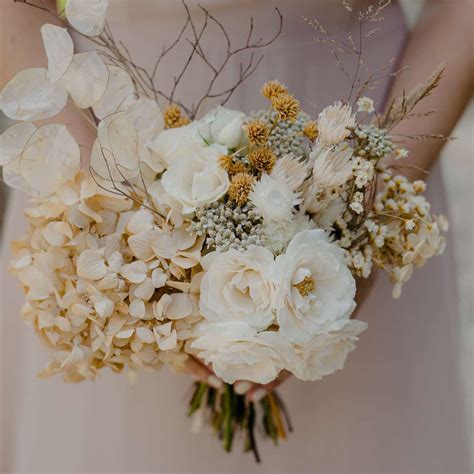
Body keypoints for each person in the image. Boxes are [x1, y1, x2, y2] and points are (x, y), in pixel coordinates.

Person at [1, 1, 471, 472]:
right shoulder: (112, 220)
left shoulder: (365, 205)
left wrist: (367, 209)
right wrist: (123, 230)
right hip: (101, 150)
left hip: (365, 150)